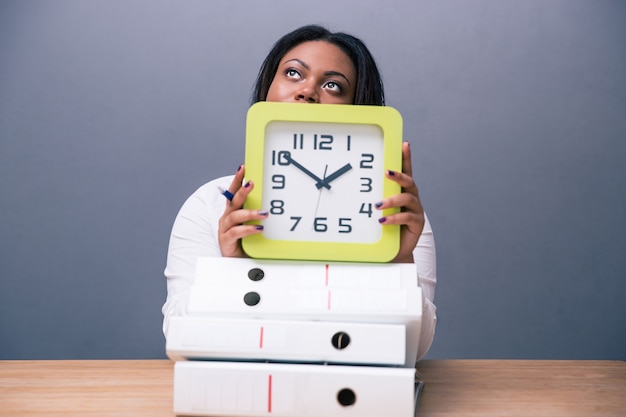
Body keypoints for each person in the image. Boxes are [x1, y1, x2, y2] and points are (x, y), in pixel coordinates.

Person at [162, 25, 437, 362]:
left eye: (333, 85)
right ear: (268, 89)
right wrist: (235, 266)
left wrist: (398, 260)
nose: (308, 91)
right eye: (293, 73)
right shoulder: (209, 204)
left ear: (358, 109)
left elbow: (415, 350)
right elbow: (179, 340)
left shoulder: (394, 215)